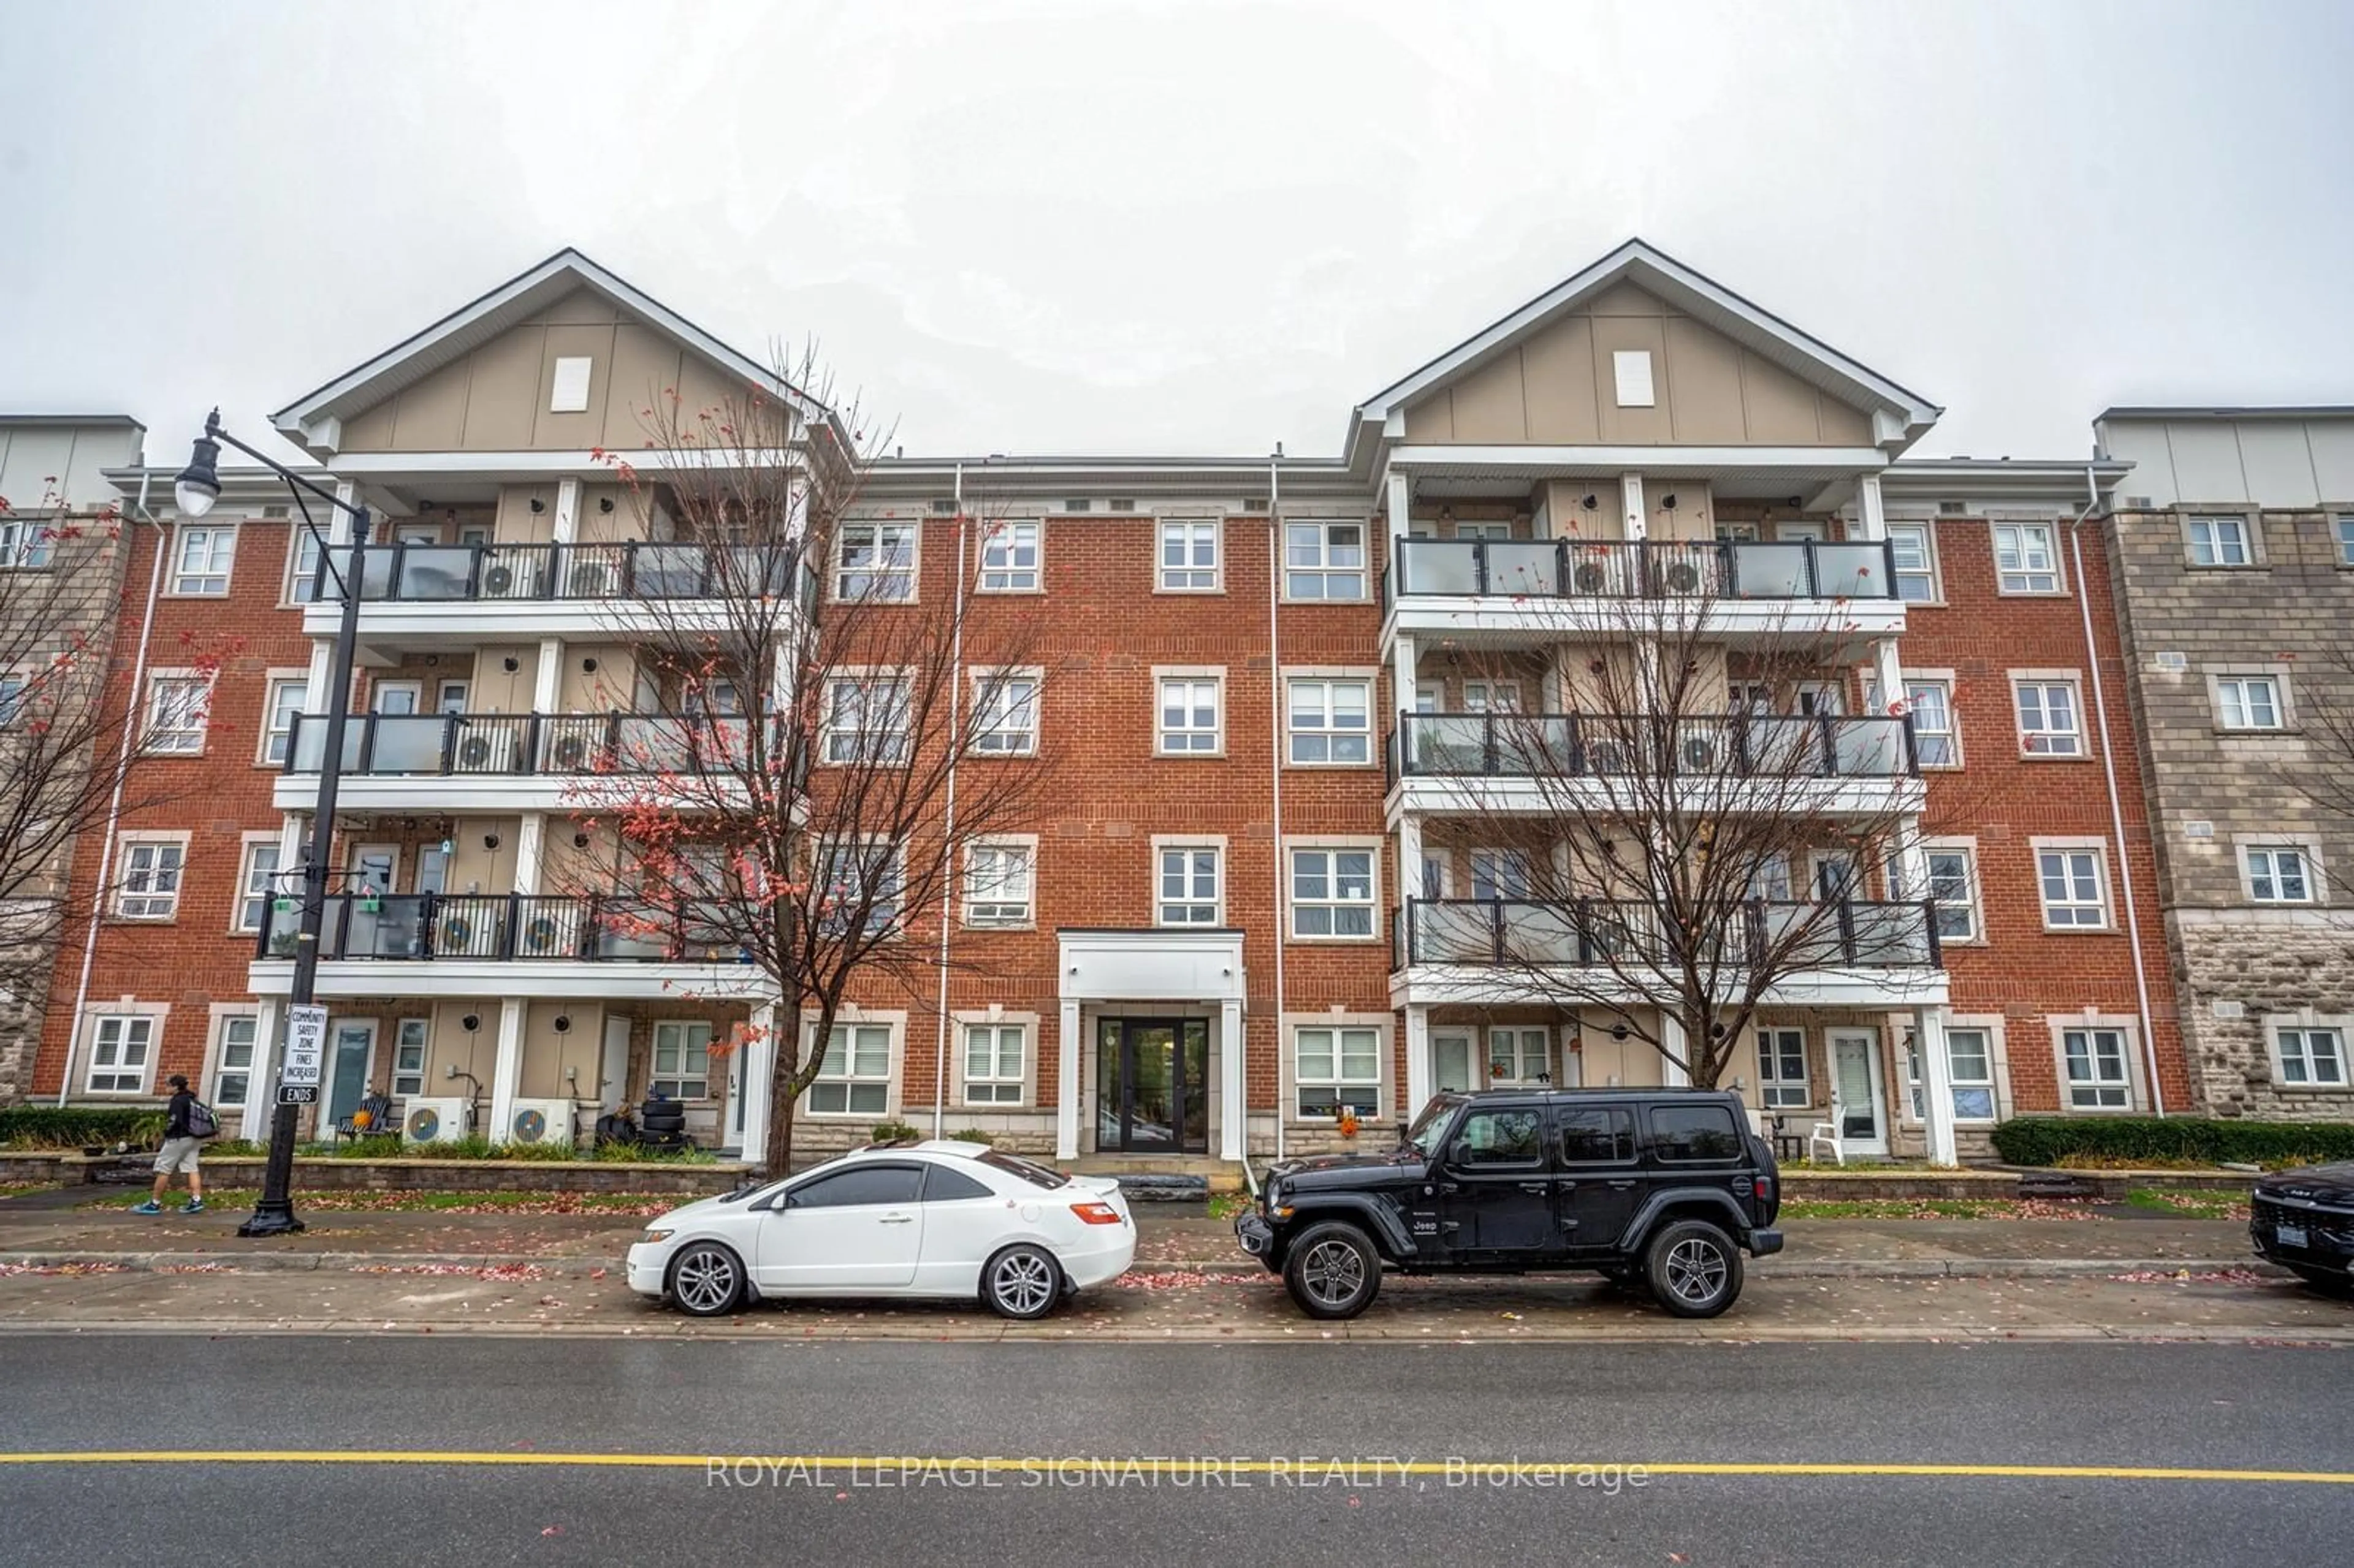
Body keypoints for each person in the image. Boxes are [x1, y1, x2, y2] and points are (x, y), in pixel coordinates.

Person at [132, 1075, 205, 1215]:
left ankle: (155, 1203)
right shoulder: (191, 1098)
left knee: (164, 1169)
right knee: (192, 1168)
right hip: (195, 1138)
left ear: (175, 1087)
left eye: (168, 1085)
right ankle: (196, 1200)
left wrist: (167, 1132)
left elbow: (175, 1120)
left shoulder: (177, 1100)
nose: (166, 1088)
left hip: (178, 1138)